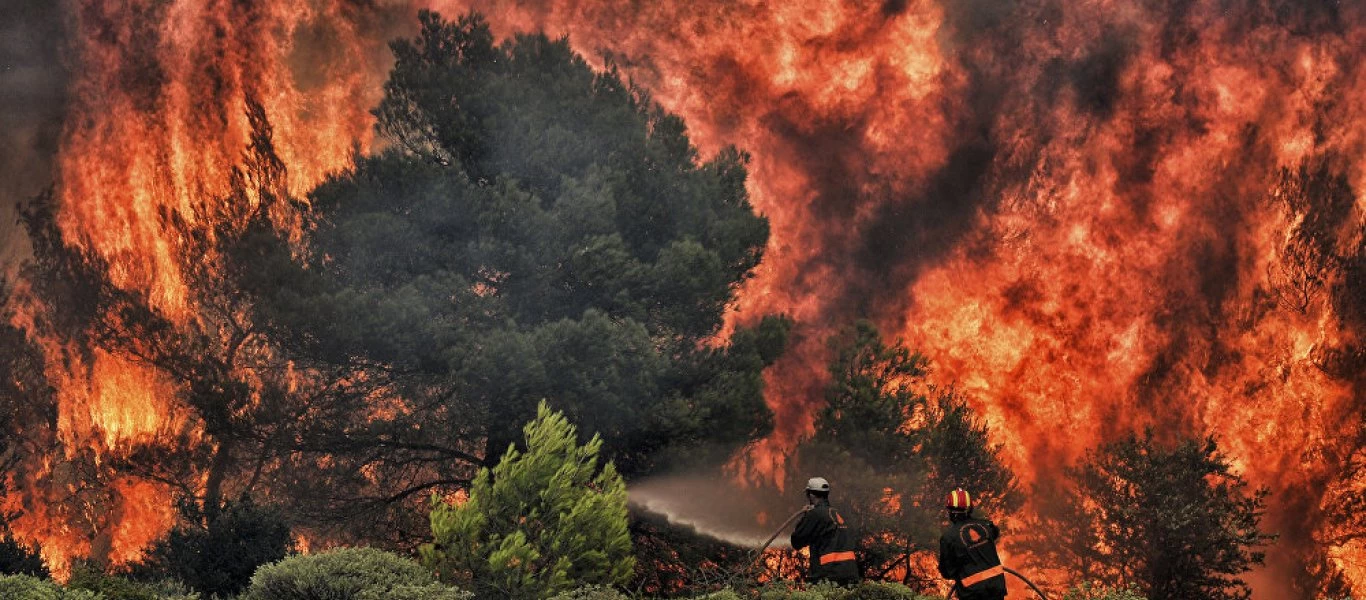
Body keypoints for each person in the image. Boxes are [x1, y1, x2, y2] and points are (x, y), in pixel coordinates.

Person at [938, 488, 1007, 599]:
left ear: (950, 512)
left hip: (972, 593)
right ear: (970, 509)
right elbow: (995, 532)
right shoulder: (986, 526)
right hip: (996, 587)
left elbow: (947, 571)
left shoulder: (948, 538)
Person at [790, 476, 860, 585]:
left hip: (827, 576)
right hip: (850, 574)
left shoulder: (815, 514)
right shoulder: (839, 513)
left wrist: (805, 516)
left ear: (811, 495)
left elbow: (797, 541)